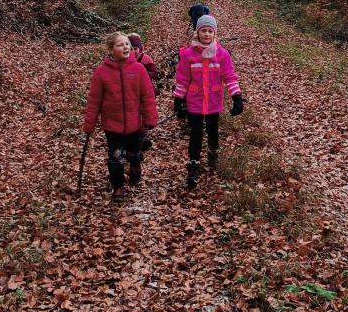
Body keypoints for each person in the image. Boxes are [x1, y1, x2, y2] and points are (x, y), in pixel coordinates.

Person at [83, 32, 158, 203]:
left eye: (127, 44)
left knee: (133, 153)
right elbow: (94, 101)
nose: (125, 47)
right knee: (116, 157)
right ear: (110, 49)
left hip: (135, 124)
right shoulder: (101, 73)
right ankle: (118, 185)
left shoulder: (138, 69)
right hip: (112, 125)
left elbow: (147, 96)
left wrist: (150, 118)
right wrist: (89, 124)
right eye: (120, 44)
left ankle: (135, 165)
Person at [173, 14, 244, 189]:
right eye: (203, 30)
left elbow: (229, 76)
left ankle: (213, 153)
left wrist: (236, 97)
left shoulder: (222, 54)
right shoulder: (188, 54)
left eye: (210, 31)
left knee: (213, 130)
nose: (206, 34)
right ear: (197, 32)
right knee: (196, 133)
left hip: (213, 101)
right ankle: (193, 163)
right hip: (195, 101)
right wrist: (178, 99)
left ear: (214, 33)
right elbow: (182, 79)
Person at [128, 32, 158, 153]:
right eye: (130, 48)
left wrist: (143, 73)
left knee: (144, 113)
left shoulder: (146, 59)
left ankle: (142, 136)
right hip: (131, 92)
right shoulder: (124, 60)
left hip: (146, 90)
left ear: (140, 49)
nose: (133, 51)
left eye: (135, 49)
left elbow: (154, 73)